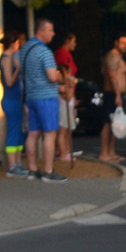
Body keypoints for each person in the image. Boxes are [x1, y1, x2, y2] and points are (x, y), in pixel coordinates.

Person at [21, 18, 66, 182]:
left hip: (31, 95)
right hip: (46, 97)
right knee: (49, 134)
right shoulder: (45, 52)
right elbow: (52, 77)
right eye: (51, 30)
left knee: (33, 133)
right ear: (42, 31)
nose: (53, 34)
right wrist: (60, 76)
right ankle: (48, 170)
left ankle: (32, 169)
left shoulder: (25, 48)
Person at [0, 30, 32, 178]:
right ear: (14, 43)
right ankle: (12, 166)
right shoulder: (6, 58)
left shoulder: (12, 57)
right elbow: (9, 81)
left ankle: (18, 162)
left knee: (20, 132)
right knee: (14, 131)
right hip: (10, 100)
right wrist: (18, 69)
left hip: (16, 100)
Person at [100, 35, 126, 163]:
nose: (125, 45)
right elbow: (112, 76)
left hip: (118, 93)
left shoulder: (119, 57)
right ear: (116, 42)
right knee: (108, 122)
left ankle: (111, 152)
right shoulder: (112, 56)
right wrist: (117, 94)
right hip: (112, 93)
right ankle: (104, 153)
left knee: (116, 123)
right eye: (122, 43)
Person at [54, 32, 78, 162]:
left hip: (69, 94)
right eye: (73, 41)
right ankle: (62, 152)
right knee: (63, 127)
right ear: (67, 41)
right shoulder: (62, 55)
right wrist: (67, 91)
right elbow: (63, 74)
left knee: (68, 127)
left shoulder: (66, 54)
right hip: (65, 96)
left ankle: (67, 151)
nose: (75, 44)